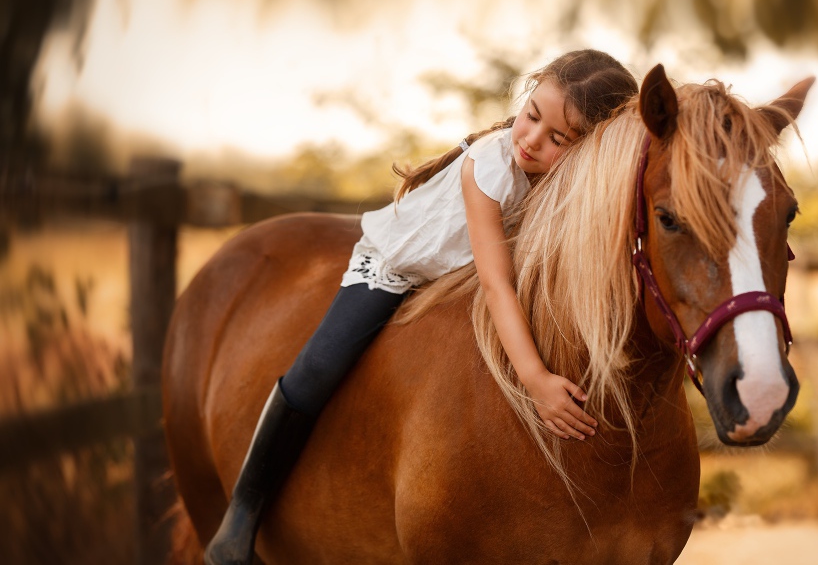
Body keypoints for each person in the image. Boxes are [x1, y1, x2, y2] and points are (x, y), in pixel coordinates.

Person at [204, 49, 640, 565]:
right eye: (532, 116)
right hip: (400, 266)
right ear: (525, 101)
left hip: (463, 277)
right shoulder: (490, 166)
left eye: (557, 138)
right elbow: (498, 285)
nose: (530, 140)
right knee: (320, 365)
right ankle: (243, 513)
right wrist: (536, 381)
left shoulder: (580, 184)